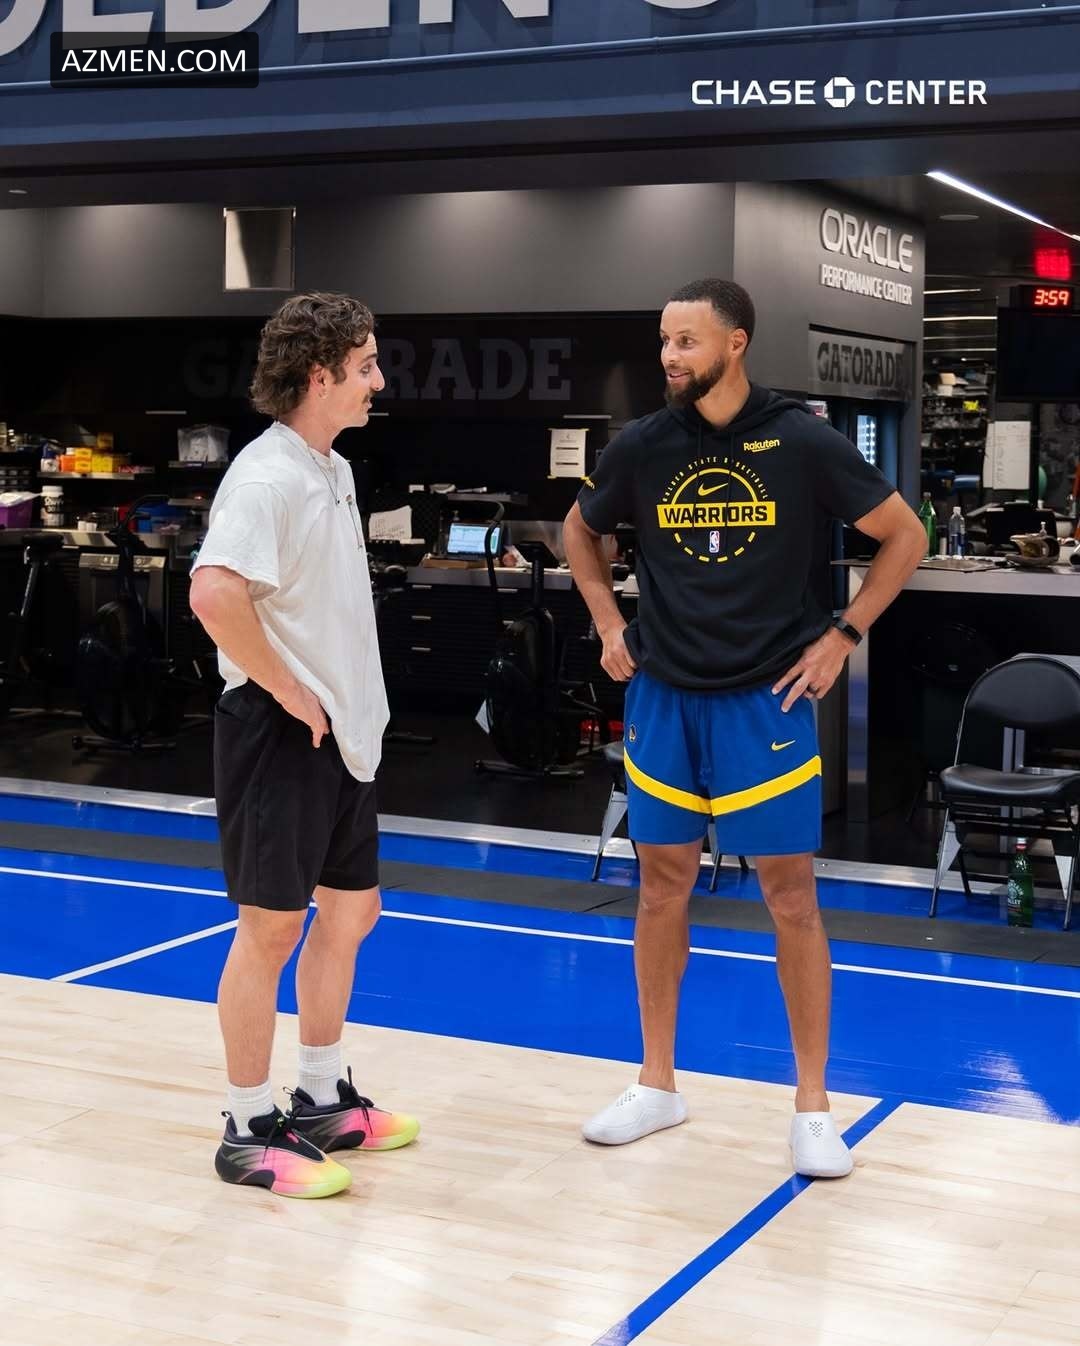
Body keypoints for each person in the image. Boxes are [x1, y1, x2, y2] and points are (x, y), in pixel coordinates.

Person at [563, 278, 926, 1178]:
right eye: (663, 340)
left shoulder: (799, 438)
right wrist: (608, 623)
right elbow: (579, 532)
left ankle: (813, 1106)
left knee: (790, 895)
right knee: (660, 887)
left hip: (766, 701)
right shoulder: (644, 443)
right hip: (664, 696)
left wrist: (844, 635)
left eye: (685, 340)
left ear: (736, 344)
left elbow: (904, 535)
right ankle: (657, 1084)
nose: (669, 355)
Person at [190, 292, 419, 1198]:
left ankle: (320, 1097)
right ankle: (247, 1127)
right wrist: (288, 689)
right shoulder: (266, 478)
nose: (378, 381)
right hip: (281, 732)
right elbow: (214, 593)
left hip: (342, 736)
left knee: (352, 911)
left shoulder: (332, 467)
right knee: (272, 927)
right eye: (365, 366)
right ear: (320, 376)